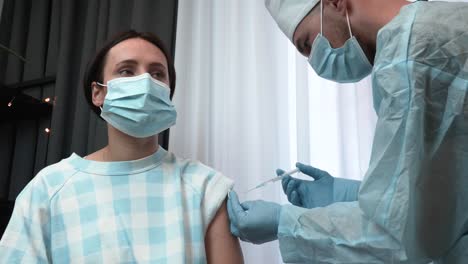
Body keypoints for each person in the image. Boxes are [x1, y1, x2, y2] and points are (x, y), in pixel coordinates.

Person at [227, 0, 468, 263]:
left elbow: (396, 239)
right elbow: (447, 197)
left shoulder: (410, 54)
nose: (314, 61)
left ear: (336, 2)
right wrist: (348, 194)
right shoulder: (448, 21)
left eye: (307, 45)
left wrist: (284, 223)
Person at [0, 30, 243, 263]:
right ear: (98, 93)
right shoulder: (48, 190)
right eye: (126, 71)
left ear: (168, 92)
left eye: (157, 74)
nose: (145, 81)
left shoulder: (206, 188)